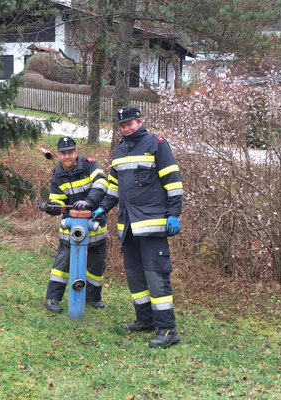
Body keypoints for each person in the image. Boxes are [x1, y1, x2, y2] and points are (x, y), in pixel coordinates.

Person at [92, 106, 183, 348]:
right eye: (122, 125)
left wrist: (173, 214)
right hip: (128, 226)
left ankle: (167, 329)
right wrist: (103, 208)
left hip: (153, 224)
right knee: (135, 276)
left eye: (130, 123)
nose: (126, 128)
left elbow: (173, 182)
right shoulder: (119, 151)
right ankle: (145, 321)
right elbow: (114, 187)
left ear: (140, 121)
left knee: (156, 276)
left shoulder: (157, 145)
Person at [38, 136, 109, 313]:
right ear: (59, 154)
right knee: (62, 263)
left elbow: (102, 182)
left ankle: (93, 297)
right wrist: (49, 207)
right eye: (63, 153)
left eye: (70, 152)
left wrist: (90, 202)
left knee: (97, 264)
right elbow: (57, 203)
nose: (67, 156)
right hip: (71, 228)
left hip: (95, 223)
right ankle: (53, 298)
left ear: (76, 152)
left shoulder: (89, 165)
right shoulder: (58, 176)